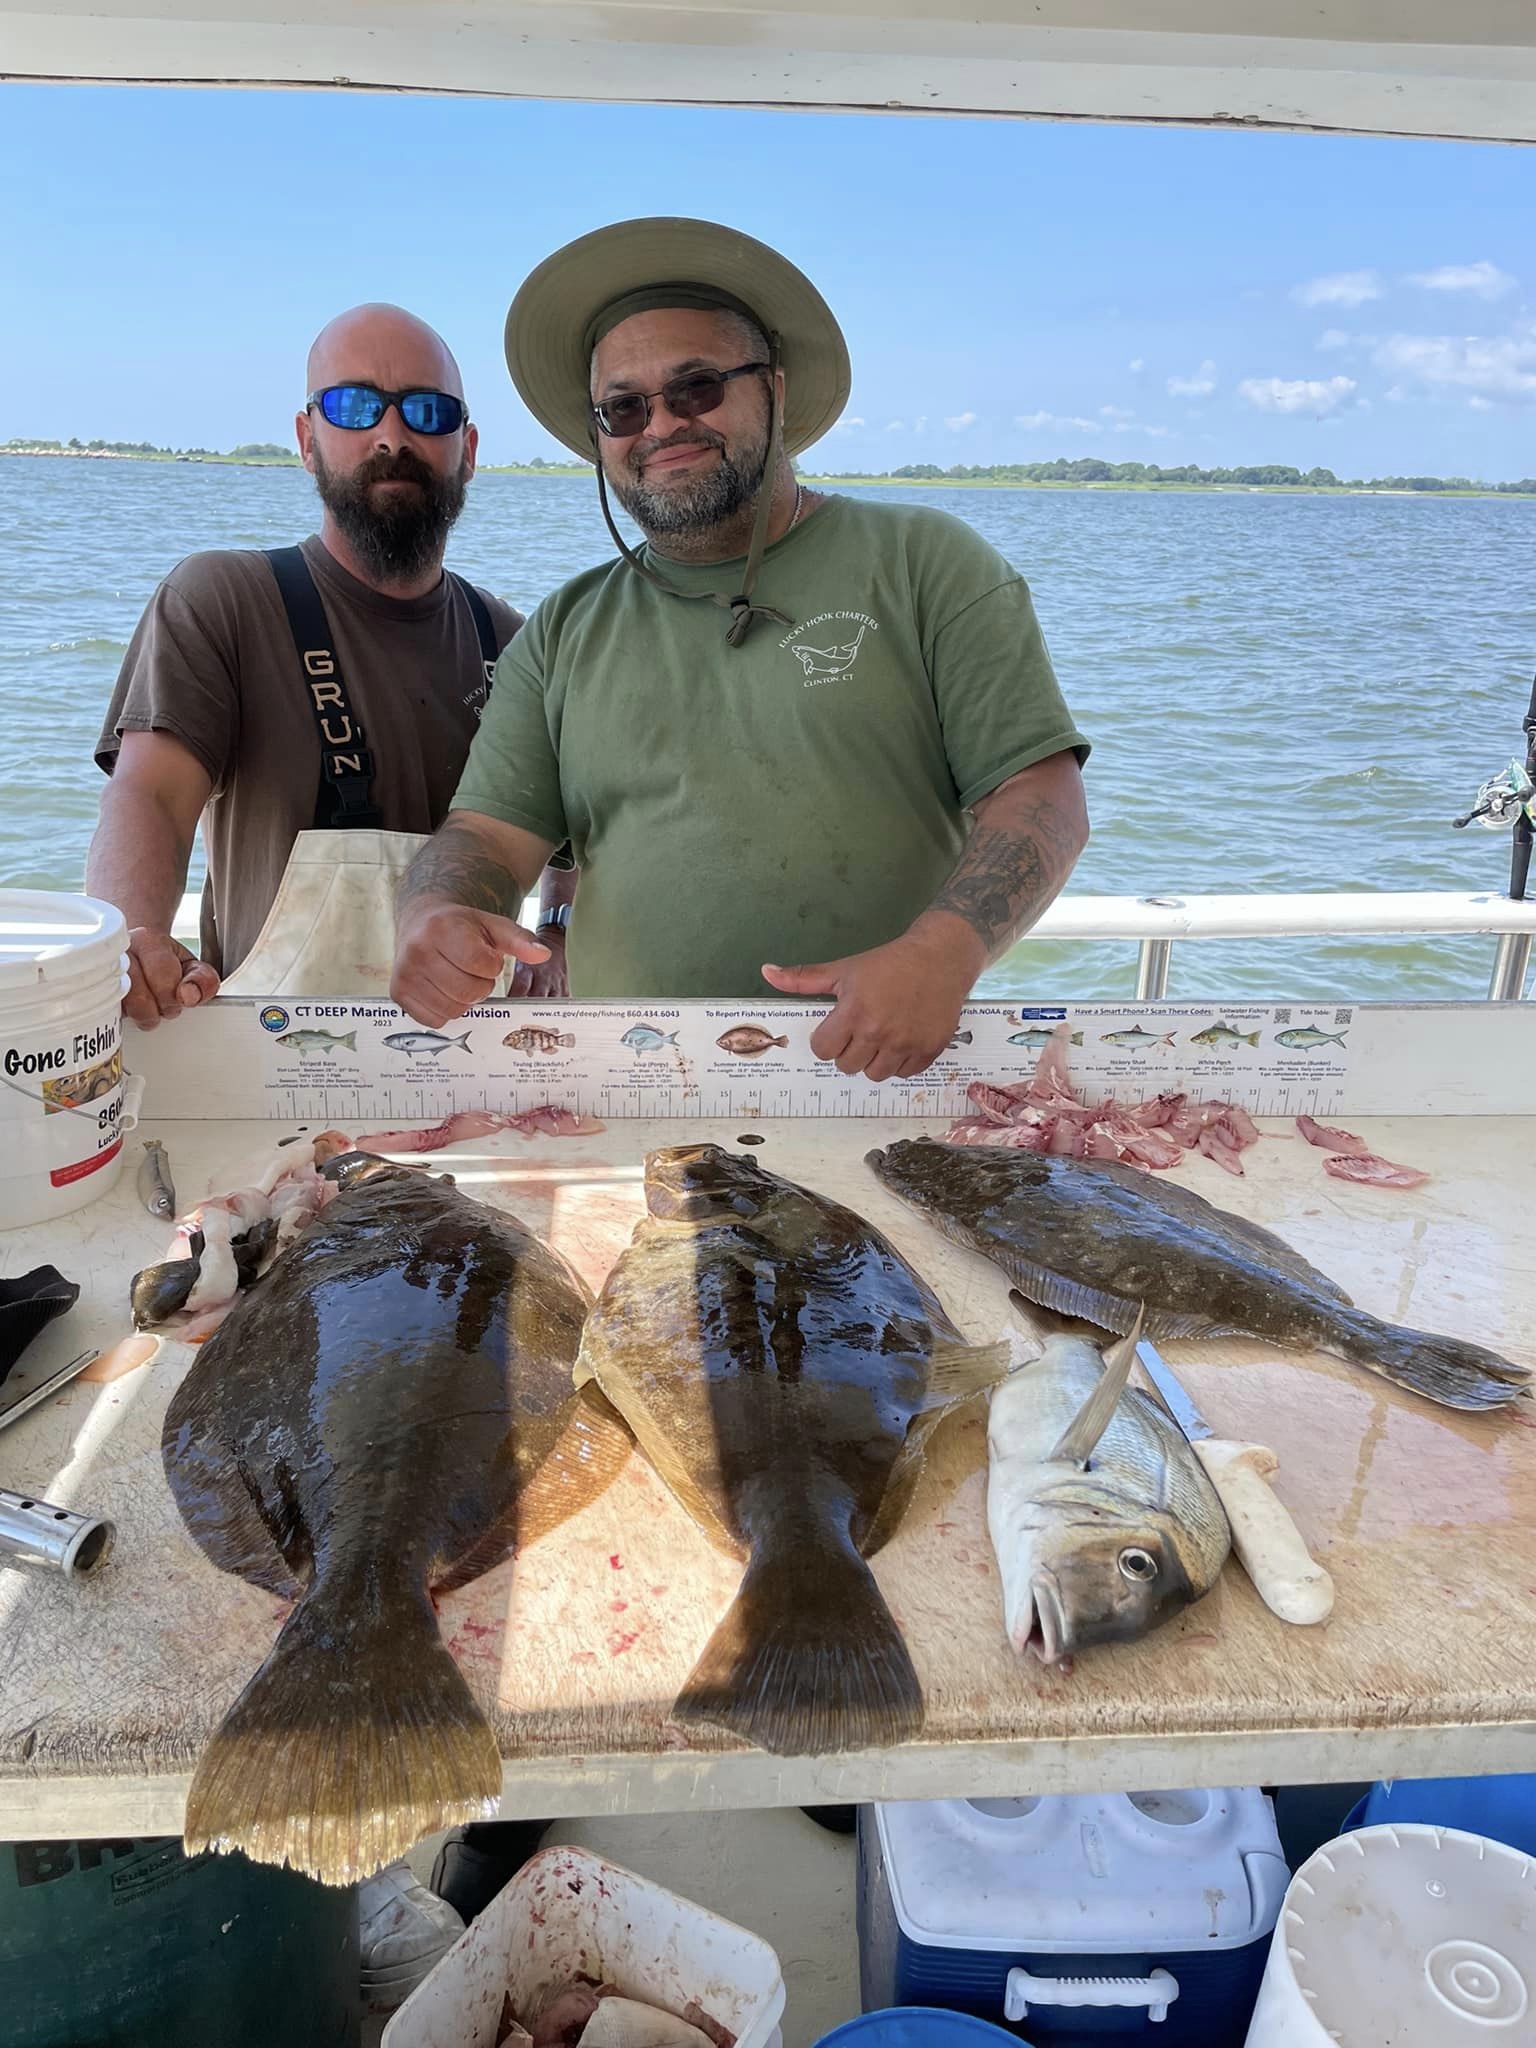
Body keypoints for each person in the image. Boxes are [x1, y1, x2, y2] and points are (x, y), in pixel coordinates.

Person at [391, 220, 1088, 1078]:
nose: (663, 425)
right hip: (632, 1084)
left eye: (698, 386)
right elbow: (488, 840)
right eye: (624, 407)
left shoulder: (928, 563)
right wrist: (435, 913)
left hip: (884, 1068)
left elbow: (1041, 794)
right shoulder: (565, 628)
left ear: (778, 392)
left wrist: (946, 951)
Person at [88, 302, 575, 1025]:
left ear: (467, 448)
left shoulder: (514, 640)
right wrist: (131, 941)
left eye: (427, 412)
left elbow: (574, 829)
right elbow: (151, 798)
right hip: (269, 1064)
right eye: (354, 407)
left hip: (482, 1063)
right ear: (306, 439)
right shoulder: (224, 599)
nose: (391, 435)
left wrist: (555, 931)